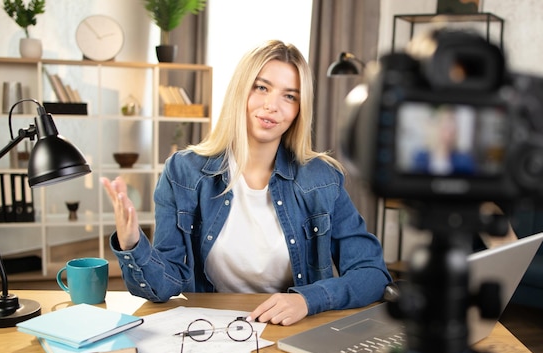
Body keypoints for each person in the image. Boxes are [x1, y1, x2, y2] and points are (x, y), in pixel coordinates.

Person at [101, 40, 393, 328]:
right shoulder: (183, 172)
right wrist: (132, 244)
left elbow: (372, 273)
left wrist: (308, 299)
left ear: (299, 110)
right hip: (210, 330)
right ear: (241, 90)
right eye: (261, 87)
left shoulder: (322, 178)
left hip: (292, 329)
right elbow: (162, 286)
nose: (271, 106)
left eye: (289, 96)